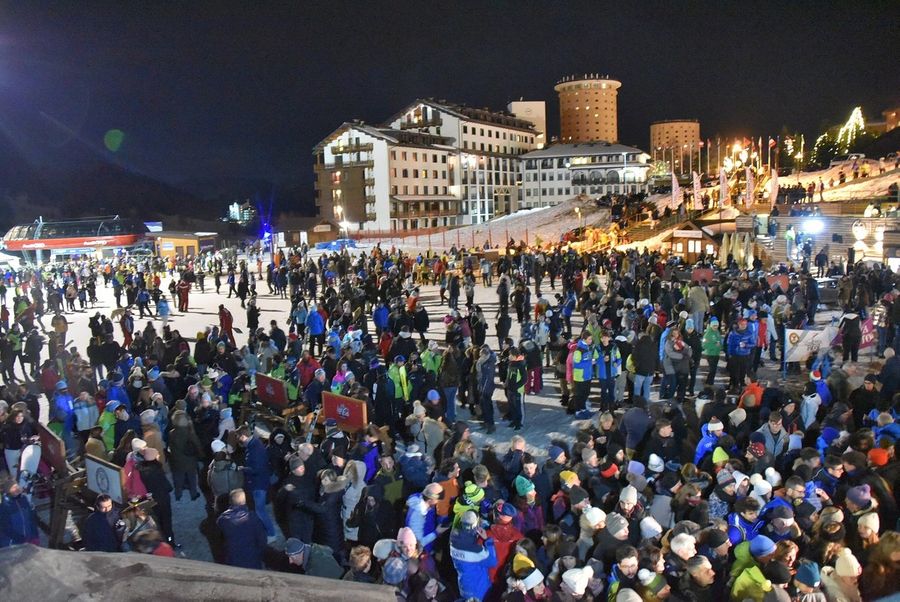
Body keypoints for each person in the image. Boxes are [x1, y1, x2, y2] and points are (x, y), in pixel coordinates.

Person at [217, 488, 268, 569]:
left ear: (230, 501)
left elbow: (221, 542)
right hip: (252, 559)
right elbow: (262, 540)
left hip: (232, 560)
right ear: (244, 501)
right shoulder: (253, 517)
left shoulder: (222, 520)